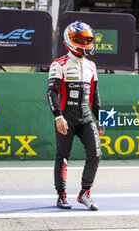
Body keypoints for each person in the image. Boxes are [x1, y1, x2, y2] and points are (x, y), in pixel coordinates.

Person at [47, 21, 105, 211]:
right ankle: (61, 195)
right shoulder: (58, 64)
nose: (86, 42)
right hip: (67, 117)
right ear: (69, 40)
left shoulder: (91, 65)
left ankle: (85, 193)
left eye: (88, 39)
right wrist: (58, 117)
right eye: (81, 39)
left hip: (86, 117)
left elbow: (95, 95)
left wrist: (101, 119)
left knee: (96, 154)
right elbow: (51, 93)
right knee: (63, 156)